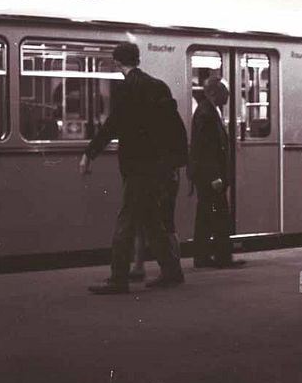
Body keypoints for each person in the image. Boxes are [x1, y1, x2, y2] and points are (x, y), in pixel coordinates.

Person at [80, 42, 185, 294]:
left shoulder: (126, 89)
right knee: (151, 221)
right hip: (156, 167)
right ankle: (172, 271)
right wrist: (177, 162)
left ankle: (118, 278)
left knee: (126, 221)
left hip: (137, 168)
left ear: (117, 63)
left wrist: (89, 153)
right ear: (137, 59)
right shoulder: (158, 86)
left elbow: (113, 125)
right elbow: (175, 126)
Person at [189, 77, 243, 269]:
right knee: (218, 215)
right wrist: (215, 176)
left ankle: (205, 257)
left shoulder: (209, 111)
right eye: (224, 92)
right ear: (213, 93)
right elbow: (206, 148)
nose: (228, 95)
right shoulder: (206, 113)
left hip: (208, 175)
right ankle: (221, 257)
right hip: (210, 176)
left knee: (207, 215)